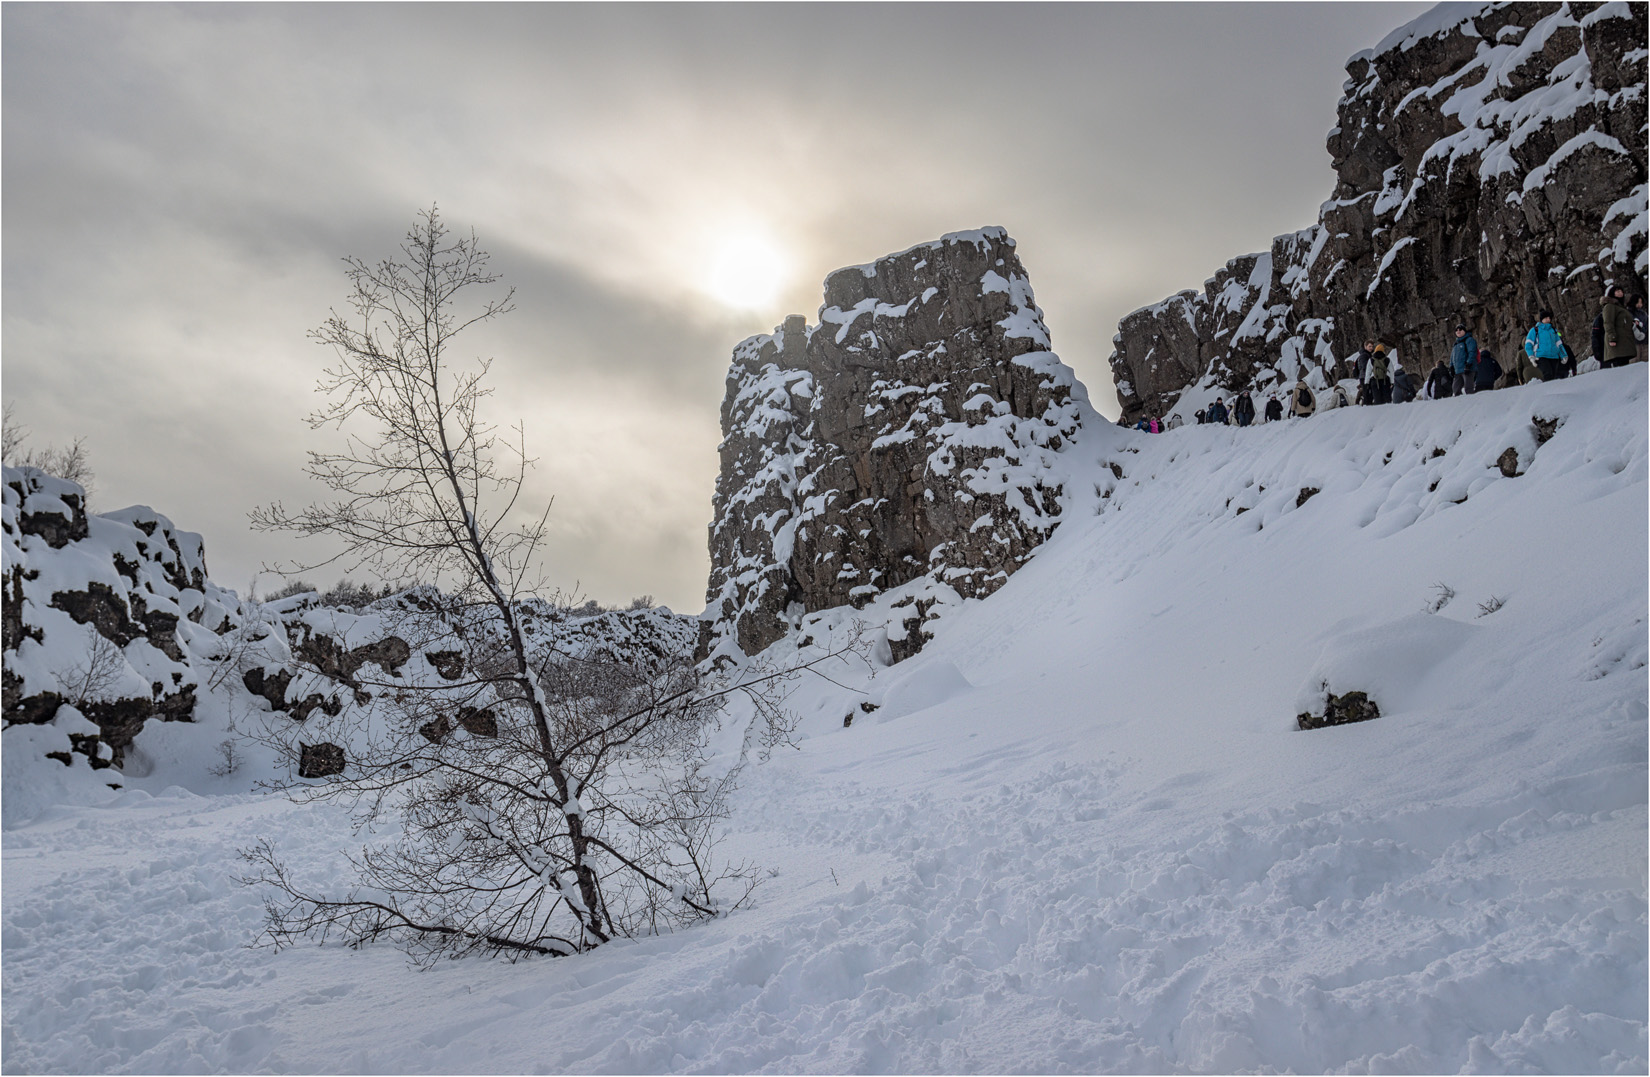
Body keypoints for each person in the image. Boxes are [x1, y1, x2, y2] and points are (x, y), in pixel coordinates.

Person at [1523, 310, 1570, 381]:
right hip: (1541, 356)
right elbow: (1528, 344)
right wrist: (1531, 357)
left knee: (1554, 376)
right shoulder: (1535, 330)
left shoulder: (1553, 330)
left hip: (1554, 357)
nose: (1548, 319)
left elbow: (1559, 344)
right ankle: (1548, 390)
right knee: (1548, 374)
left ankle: (1554, 391)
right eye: (1546, 318)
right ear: (1542, 319)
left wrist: (1564, 355)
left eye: (1549, 318)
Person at [1603, 287, 1636, 368]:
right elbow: (1608, 322)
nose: (1620, 293)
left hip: (1624, 341)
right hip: (1617, 341)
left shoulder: (1620, 306)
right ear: (1612, 294)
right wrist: (1612, 337)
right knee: (1620, 367)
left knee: (1625, 365)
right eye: (1617, 291)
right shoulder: (1610, 306)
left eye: (1621, 291)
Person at [1450, 324, 1479, 396]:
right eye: (1456, 330)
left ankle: (1473, 404)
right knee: (1455, 388)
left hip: (1468, 369)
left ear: (1464, 331)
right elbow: (1452, 357)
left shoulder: (1469, 340)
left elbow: (1472, 352)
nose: (1458, 331)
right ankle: (1460, 405)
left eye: (1460, 329)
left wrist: (1468, 363)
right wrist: (1451, 366)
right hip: (1458, 370)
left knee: (1468, 388)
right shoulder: (1456, 344)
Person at [1633, 295, 1647, 363]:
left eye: (1641, 303)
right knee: (1634, 362)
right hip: (1634, 342)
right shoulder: (1629, 312)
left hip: (1645, 342)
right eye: (1637, 302)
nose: (1639, 305)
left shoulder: (1644, 313)